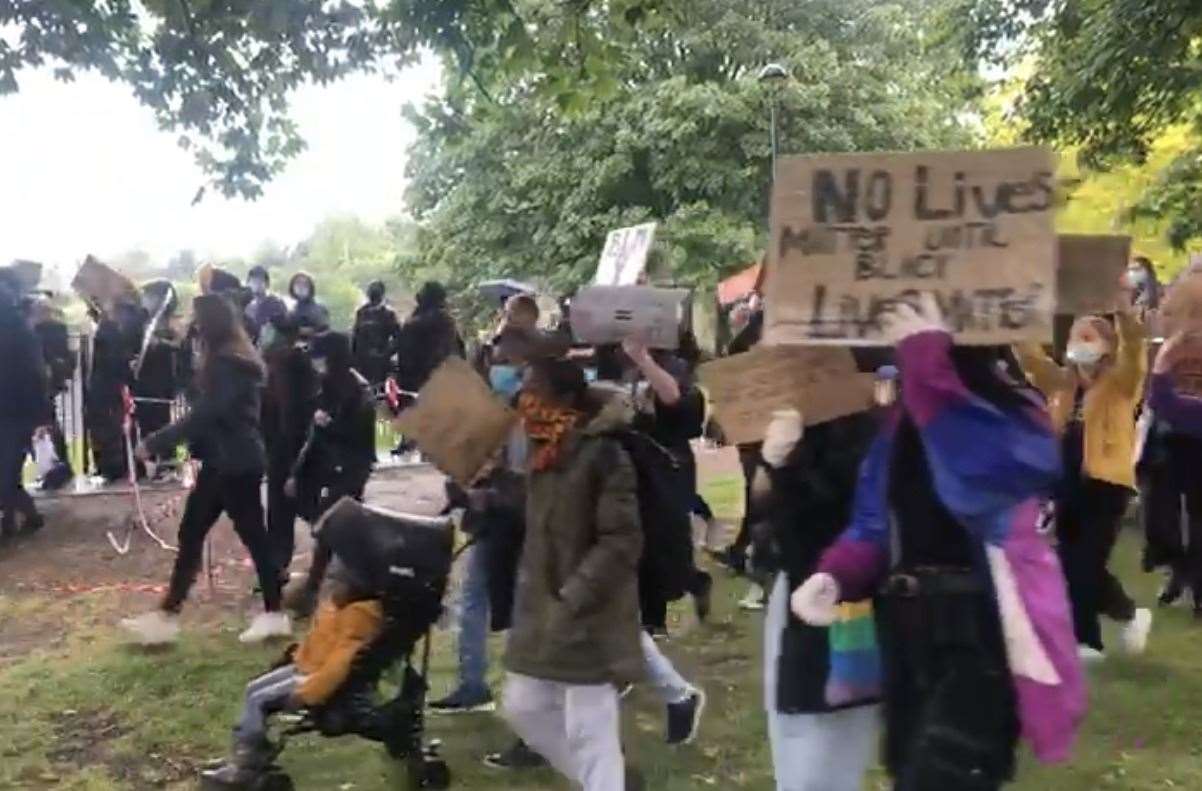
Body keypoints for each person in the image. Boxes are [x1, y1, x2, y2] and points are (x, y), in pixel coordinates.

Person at [794, 296, 1085, 790]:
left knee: (948, 773)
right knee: (909, 769)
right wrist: (835, 573)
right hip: (907, 629)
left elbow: (978, 480)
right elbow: (874, 521)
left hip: (977, 626)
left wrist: (930, 371)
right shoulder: (903, 425)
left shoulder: (1015, 409)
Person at [503, 358, 645, 791]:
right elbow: (529, 515)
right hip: (543, 609)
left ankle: (608, 781)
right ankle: (609, 782)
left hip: (592, 611)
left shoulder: (602, 455)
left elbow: (621, 539)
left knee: (590, 730)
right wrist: (482, 500)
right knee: (522, 706)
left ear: (563, 399)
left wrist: (576, 593)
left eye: (533, 388)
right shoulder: (539, 450)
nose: (524, 399)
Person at [120, 295, 290, 645]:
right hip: (228, 460)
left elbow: (206, 414)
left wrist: (155, 442)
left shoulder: (227, 364)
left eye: (195, 320)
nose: (189, 326)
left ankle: (272, 613)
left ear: (208, 324)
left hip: (233, 463)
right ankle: (169, 616)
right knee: (197, 533)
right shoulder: (234, 360)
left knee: (242, 537)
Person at [756, 399, 883, 791]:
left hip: (849, 599)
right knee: (795, 740)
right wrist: (771, 465)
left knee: (826, 751)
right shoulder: (794, 423)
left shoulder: (869, 434)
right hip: (795, 593)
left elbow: (843, 519)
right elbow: (765, 514)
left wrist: (788, 472)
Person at [1016, 299, 1152, 660]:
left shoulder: (1120, 385)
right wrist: (1019, 322)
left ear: (1107, 346)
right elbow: (1031, 361)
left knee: (1084, 563)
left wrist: (1124, 314)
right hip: (1068, 483)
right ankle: (1128, 613)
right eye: (1075, 337)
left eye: (1089, 337)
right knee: (1072, 562)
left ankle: (1087, 641)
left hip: (1107, 485)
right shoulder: (1063, 382)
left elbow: (1136, 350)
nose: (1079, 343)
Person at [201, 557, 384, 786]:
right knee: (253, 689)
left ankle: (246, 761)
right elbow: (319, 642)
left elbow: (340, 663)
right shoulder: (339, 608)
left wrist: (309, 692)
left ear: (358, 587)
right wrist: (292, 657)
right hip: (305, 667)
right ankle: (247, 752)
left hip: (314, 678)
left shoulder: (360, 616)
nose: (334, 588)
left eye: (339, 584)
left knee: (259, 700)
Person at [281, 331, 377, 615]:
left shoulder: (359, 391)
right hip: (329, 464)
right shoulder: (326, 385)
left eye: (320, 356)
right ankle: (352, 579)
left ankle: (313, 589)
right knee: (335, 527)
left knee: (331, 525)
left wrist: (328, 424)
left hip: (353, 466)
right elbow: (316, 435)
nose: (316, 363)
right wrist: (297, 473)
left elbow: (356, 436)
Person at [1142, 331, 1202, 615]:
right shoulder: (1171, 345)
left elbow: (1166, 403)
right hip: (1167, 443)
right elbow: (1156, 401)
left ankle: (1195, 585)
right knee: (1160, 516)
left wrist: (1163, 369)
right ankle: (1177, 571)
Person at [261, 315, 320, 579]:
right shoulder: (274, 363)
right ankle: (277, 565)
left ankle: (343, 558)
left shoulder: (291, 363)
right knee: (285, 510)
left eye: (269, 332)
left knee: (308, 508)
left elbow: (293, 412)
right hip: (280, 447)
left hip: (293, 448)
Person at [0, 268, 50, 539]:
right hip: (16, 408)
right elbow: (35, 372)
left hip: (12, 408)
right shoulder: (19, 326)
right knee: (8, 470)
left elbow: (32, 372)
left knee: (6, 470)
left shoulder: (15, 326)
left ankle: (16, 519)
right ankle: (22, 517)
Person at [395, 281, 465, 394]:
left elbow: (404, 356)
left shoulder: (415, 323)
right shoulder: (447, 320)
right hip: (443, 381)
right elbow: (459, 351)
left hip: (419, 382)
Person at [351, 280, 401, 388]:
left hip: (380, 360)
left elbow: (398, 338)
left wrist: (385, 353)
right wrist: (353, 357)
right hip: (362, 360)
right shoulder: (362, 312)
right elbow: (356, 335)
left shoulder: (388, 314)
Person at [245, 265, 289, 346]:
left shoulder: (277, 303)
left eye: (260, 280)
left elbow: (285, 330)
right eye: (253, 280)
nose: (257, 283)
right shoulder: (247, 306)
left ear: (267, 284)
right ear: (248, 283)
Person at [287, 272, 330, 337]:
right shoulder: (291, 310)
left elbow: (324, 330)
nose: (301, 286)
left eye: (305, 284)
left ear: (310, 287)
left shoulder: (320, 308)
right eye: (298, 283)